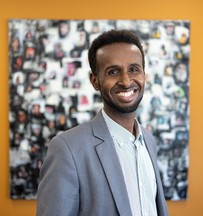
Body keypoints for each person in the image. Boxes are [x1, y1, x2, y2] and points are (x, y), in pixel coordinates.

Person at [36, 29, 169, 216]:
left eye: (134, 69)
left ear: (144, 74)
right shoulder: (67, 149)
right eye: (113, 71)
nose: (125, 80)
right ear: (95, 80)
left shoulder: (149, 141)